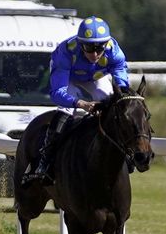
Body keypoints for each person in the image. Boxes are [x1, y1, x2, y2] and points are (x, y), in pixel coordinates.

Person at [20, 15, 131, 187]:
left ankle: (125, 154)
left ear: (106, 44)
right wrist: (80, 104)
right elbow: (57, 93)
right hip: (68, 78)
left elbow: (122, 85)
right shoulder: (65, 52)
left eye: (99, 48)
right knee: (65, 111)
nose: (94, 54)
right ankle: (44, 162)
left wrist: (123, 97)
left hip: (96, 78)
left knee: (115, 108)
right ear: (80, 44)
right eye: (88, 48)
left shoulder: (114, 52)